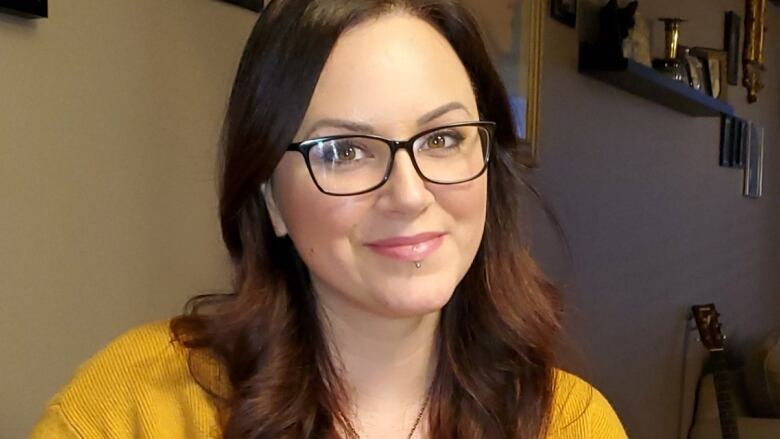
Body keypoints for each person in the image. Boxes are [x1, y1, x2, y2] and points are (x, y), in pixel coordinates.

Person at [31, 0, 628, 437]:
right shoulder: (135, 410)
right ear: (269, 198)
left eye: (443, 138)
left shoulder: (572, 423)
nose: (409, 194)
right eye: (343, 151)